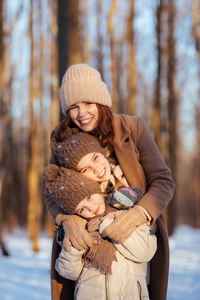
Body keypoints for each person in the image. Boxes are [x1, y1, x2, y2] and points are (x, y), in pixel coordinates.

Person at [44, 63, 175, 300]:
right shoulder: (64, 141)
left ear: (101, 101)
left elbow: (162, 180)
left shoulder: (133, 128)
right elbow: (52, 192)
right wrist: (68, 220)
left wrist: (138, 214)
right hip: (89, 256)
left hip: (133, 243)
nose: (81, 113)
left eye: (88, 103)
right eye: (73, 107)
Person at [43, 164, 157, 300]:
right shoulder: (81, 230)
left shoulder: (127, 214)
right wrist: (75, 248)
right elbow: (67, 272)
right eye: (82, 209)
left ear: (97, 190)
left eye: (89, 197)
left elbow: (145, 252)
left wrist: (108, 226)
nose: (91, 207)